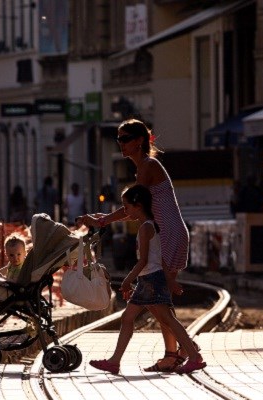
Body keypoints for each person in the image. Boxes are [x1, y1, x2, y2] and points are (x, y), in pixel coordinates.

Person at [78, 119, 195, 372]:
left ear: (139, 141)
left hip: (169, 234)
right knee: (159, 302)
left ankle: (181, 351)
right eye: (118, 138)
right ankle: (175, 353)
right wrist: (104, 219)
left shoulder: (147, 166)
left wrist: (104, 220)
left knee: (159, 301)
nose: (120, 143)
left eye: (125, 138)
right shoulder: (143, 167)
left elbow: (134, 204)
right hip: (166, 233)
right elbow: (134, 208)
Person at [88, 184, 206, 375]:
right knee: (132, 318)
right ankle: (114, 361)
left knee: (166, 319)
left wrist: (127, 281)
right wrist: (170, 280)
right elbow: (160, 259)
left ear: (138, 205)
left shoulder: (145, 228)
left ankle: (193, 356)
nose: (125, 211)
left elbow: (143, 261)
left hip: (150, 280)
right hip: (150, 279)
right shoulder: (150, 226)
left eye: (127, 207)